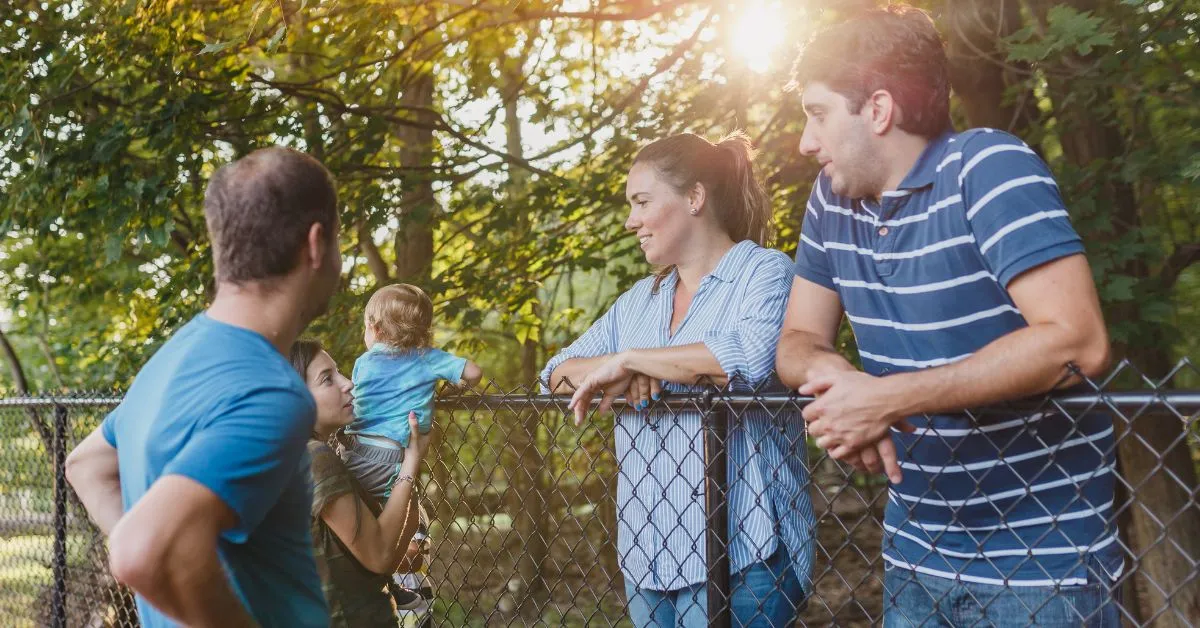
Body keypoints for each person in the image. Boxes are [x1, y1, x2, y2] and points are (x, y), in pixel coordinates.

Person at [777, 6, 1120, 626]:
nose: (806, 142)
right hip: (914, 556)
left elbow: (1079, 342)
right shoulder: (831, 200)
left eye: (819, 114)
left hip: (1041, 565)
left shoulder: (987, 168)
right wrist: (846, 389)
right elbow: (797, 340)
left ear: (878, 110)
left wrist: (886, 399)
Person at [542, 131, 814, 627]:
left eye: (642, 201)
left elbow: (751, 358)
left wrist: (632, 361)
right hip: (650, 554)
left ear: (694, 197)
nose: (631, 220)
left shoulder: (765, 273)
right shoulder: (637, 304)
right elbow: (556, 374)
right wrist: (628, 367)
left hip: (747, 550)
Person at [64, 147, 341, 627]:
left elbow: (86, 466)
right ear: (315, 245)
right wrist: (161, 556)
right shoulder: (273, 393)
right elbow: (141, 551)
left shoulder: (172, 358)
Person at [340, 282, 479, 620]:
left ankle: (384, 589)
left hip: (351, 450)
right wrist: (452, 384)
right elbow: (474, 373)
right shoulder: (427, 359)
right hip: (391, 457)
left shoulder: (363, 363)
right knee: (390, 528)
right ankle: (398, 589)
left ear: (374, 328)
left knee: (357, 528)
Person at [289, 339, 433, 627]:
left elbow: (380, 561)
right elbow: (380, 556)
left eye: (340, 372)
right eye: (327, 379)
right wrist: (409, 463)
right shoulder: (314, 458)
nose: (348, 384)